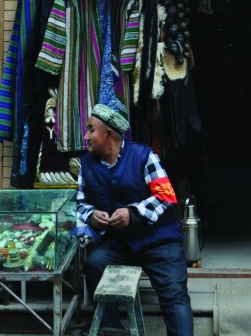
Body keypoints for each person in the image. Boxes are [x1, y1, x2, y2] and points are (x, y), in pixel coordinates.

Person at [76, 103, 193, 335]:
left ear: (108, 134)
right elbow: (80, 204)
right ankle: (111, 330)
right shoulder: (87, 164)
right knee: (95, 263)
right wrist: (91, 216)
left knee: (174, 294)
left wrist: (133, 213)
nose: (86, 136)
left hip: (159, 241)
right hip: (122, 244)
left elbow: (166, 197)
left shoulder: (144, 156)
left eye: (91, 130)